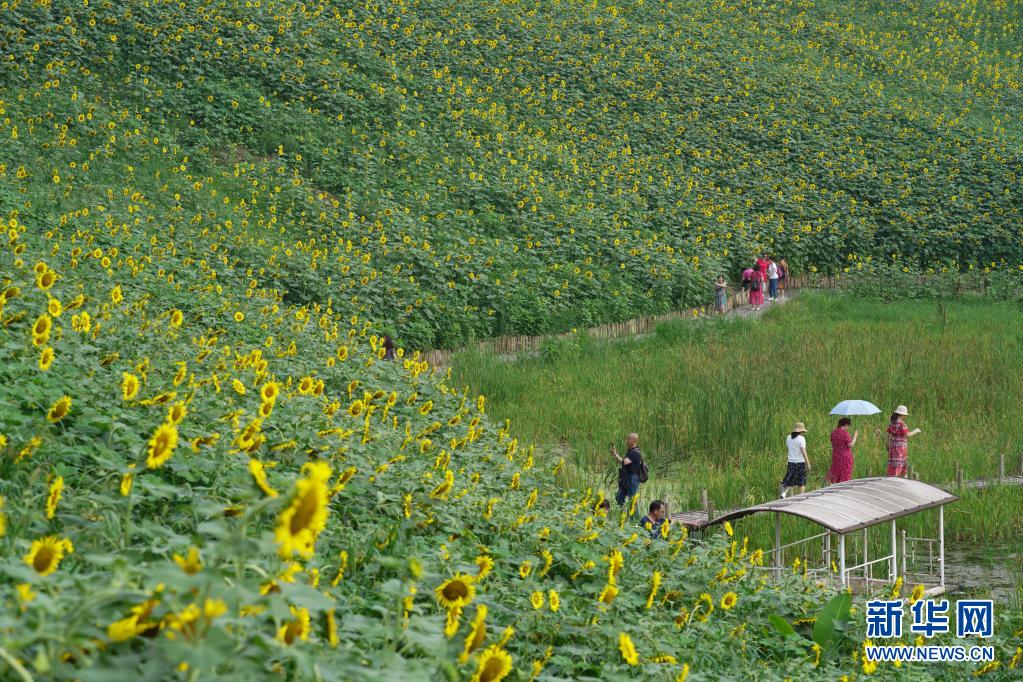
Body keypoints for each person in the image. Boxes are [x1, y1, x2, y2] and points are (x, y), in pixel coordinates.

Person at [886, 405, 921, 477]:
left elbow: (889, 434)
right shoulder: (902, 424)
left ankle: (895, 476)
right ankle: (900, 478)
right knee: (900, 463)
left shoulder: (892, 423)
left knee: (894, 463)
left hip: (893, 447)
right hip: (900, 448)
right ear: (902, 415)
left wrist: (887, 444)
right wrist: (916, 431)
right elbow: (907, 435)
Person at [612, 433, 644, 508]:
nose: (627, 441)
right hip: (626, 477)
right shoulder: (630, 451)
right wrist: (615, 454)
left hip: (633, 478)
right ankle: (621, 516)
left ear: (634, 440)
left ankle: (634, 519)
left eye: (628, 439)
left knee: (632, 500)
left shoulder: (635, 452)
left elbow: (624, 462)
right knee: (619, 497)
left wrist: (615, 454)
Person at [780, 422, 810, 498]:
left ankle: (784, 493)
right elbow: (803, 452)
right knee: (801, 482)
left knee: (790, 479)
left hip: (791, 462)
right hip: (800, 462)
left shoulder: (788, 437)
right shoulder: (801, 439)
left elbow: (788, 449)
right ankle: (800, 498)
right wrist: (808, 463)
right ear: (801, 431)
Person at [826, 417, 858, 484]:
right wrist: (855, 436)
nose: (848, 428)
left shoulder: (833, 433)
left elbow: (833, 444)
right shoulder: (845, 433)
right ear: (846, 425)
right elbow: (851, 445)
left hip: (836, 457)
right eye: (848, 426)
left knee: (836, 474)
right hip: (845, 458)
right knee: (845, 476)